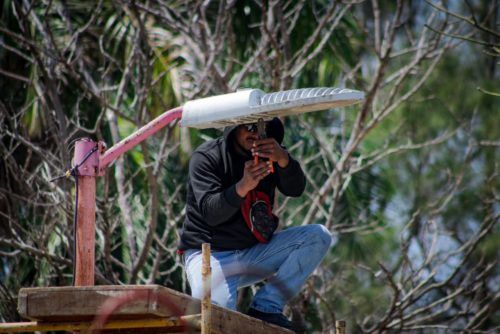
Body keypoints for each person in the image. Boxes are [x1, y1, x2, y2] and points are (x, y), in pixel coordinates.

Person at [178, 118, 332, 331]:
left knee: (318, 236)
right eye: (248, 127)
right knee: (215, 320)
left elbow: (296, 189)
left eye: (262, 129)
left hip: (252, 253)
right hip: (211, 257)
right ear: (234, 128)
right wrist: (242, 186)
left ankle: (267, 307)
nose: (255, 134)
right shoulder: (208, 156)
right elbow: (211, 214)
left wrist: (284, 159)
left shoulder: (272, 155)